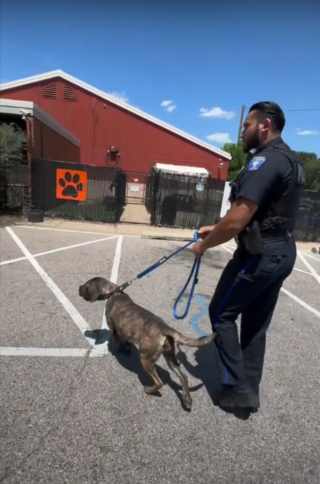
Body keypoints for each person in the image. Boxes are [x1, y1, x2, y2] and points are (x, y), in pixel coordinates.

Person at [192, 101, 305, 411]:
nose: (242, 132)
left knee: (221, 314)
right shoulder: (290, 160)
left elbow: (238, 220)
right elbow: (263, 213)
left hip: (259, 254)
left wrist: (204, 246)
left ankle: (236, 387)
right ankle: (248, 389)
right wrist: (214, 228)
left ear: (264, 126)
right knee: (255, 323)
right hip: (282, 252)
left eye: (246, 126)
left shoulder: (264, 162)